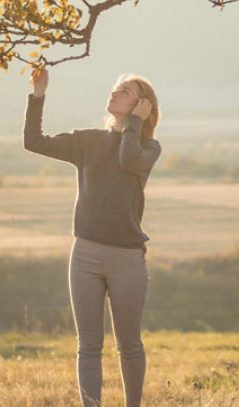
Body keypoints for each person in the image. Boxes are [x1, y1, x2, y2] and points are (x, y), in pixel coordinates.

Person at [23, 68, 161, 407]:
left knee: (129, 344)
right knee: (88, 345)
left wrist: (134, 125)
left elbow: (127, 158)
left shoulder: (148, 147)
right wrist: (38, 96)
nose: (114, 93)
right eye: (115, 89)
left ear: (142, 105)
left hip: (127, 258)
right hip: (84, 254)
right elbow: (33, 142)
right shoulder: (88, 141)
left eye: (125, 91)